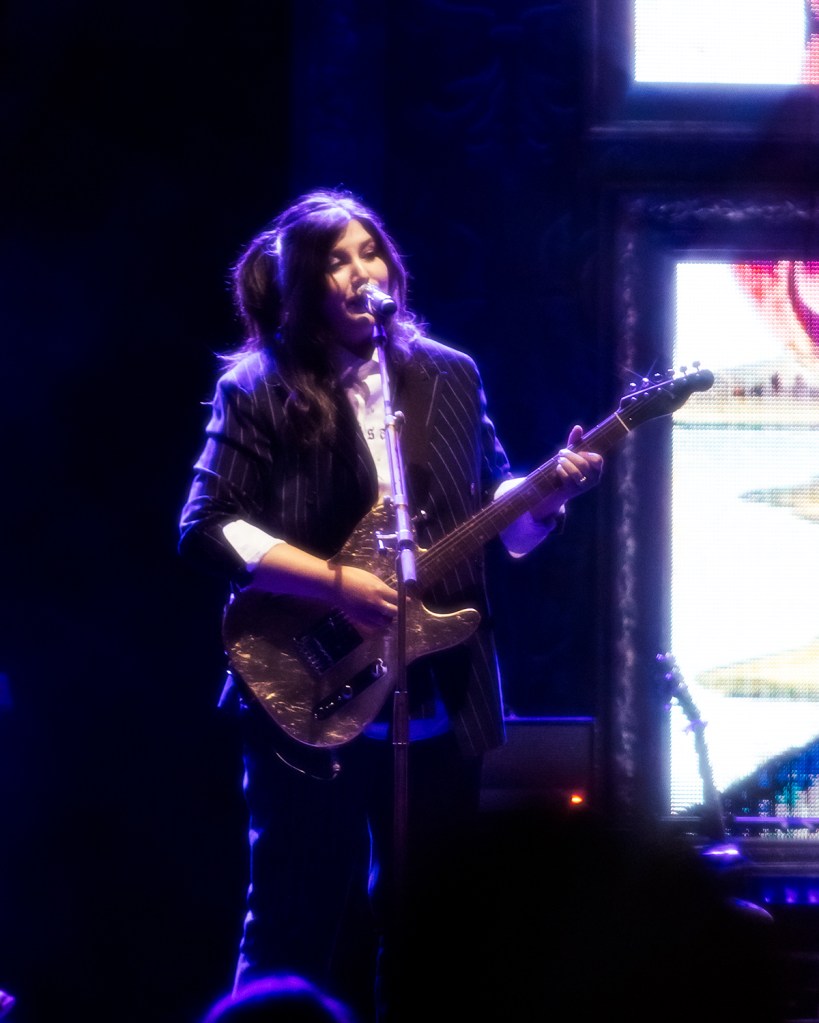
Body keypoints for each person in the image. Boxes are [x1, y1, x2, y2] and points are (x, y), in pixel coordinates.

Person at [178, 188, 603, 1021]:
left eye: (368, 252)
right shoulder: (258, 386)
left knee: (431, 929)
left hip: (436, 691)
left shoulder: (449, 374)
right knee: (291, 923)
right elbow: (208, 525)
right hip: (307, 685)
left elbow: (500, 519)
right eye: (334, 261)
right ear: (299, 284)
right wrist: (332, 583)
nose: (358, 272)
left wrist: (545, 497)